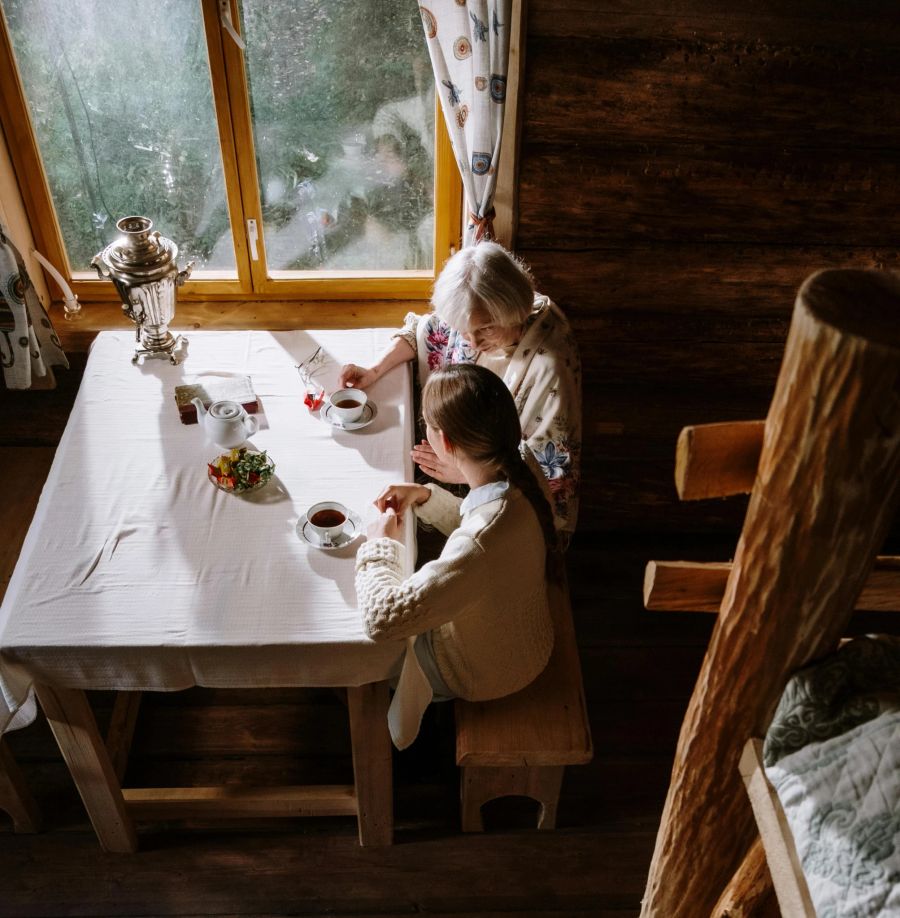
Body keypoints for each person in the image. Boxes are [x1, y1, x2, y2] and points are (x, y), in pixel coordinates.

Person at [339, 241, 581, 541]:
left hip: (496, 499)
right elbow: (423, 332)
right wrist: (373, 371)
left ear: (513, 309)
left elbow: (550, 479)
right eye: (465, 330)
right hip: (454, 462)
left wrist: (468, 471)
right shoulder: (471, 310)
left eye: (487, 329)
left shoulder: (549, 367)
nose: (474, 342)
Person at [355, 364, 556, 703]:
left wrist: (381, 544)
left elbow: (382, 619)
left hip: (483, 672)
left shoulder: (480, 542)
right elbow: (489, 528)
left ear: (444, 441)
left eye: (427, 426)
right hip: (524, 641)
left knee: (360, 653)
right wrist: (427, 496)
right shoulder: (520, 463)